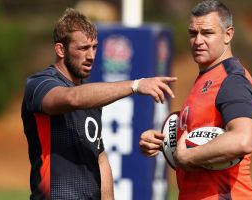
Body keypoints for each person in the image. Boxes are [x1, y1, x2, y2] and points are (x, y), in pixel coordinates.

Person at [21, 8, 177, 200]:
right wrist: (136, 85)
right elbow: (72, 98)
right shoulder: (40, 84)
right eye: (83, 48)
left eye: (94, 47)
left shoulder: (91, 97)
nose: (91, 56)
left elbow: (100, 157)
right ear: (60, 49)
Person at [139, 0, 252, 199]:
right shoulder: (205, 79)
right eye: (193, 33)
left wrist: (189, 156)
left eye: (207, 33)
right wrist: (161, 142)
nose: (198, 41)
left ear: (228, 34)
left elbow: (242, 140)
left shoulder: (232, 81)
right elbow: (199, 138)